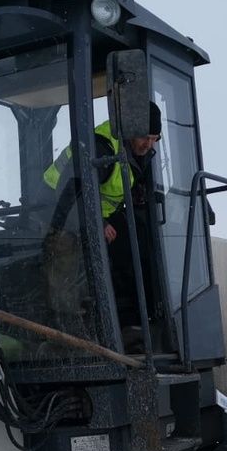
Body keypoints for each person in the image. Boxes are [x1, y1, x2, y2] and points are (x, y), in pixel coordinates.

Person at [43, 103, 161, 333]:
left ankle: (132, 320)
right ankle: (72, 332)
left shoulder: (141, 151)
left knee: (138, 237)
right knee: (66, 253)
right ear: (129, 129)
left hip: (91, 208)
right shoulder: (102, 148)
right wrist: (99, 222)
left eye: (154, 138)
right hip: (56, 210)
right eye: (143, 137)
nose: (148, 145)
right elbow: (72, 192)